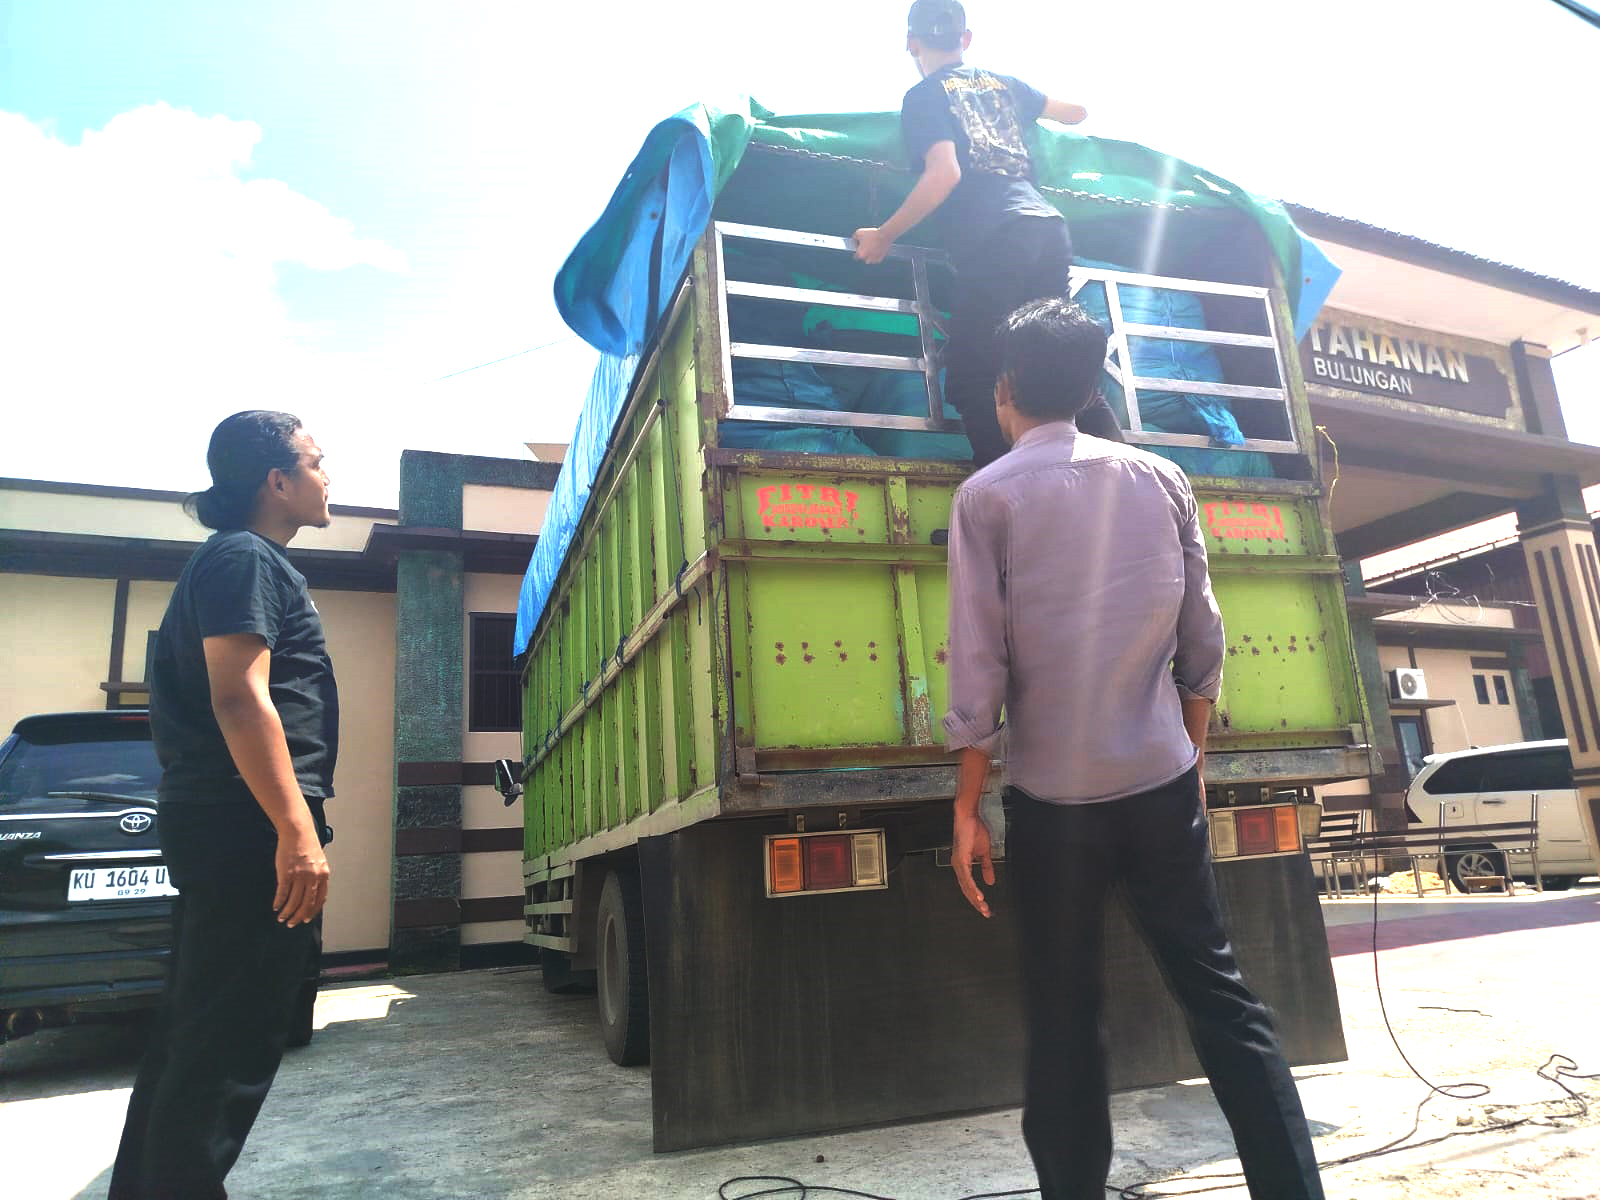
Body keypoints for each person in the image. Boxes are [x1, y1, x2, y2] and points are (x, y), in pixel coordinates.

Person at [941, 299, 1325, 1200]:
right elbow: (1203, 641)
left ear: (1003, 389)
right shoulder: (1162, 478)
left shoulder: (985, 497)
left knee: (1065, 1022)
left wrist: (966, 807)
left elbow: (978, 667)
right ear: (1092, 387)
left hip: (1053, 805)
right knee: (1222, 1000)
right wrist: (1192, 762)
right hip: (1160, 783)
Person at [110, 411, 338, 1200]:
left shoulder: (242, 560)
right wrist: (295, 830)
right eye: (316, 462)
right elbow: (240, 696)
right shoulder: (244, 557)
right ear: (277, 481)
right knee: (229, 1039)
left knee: (198, 1032)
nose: (327, 477)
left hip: (232, 820)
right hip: (246, 824)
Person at [853, 0, 1125, 467]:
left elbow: (945, 173)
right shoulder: (1005, 84)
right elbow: (1076, 112)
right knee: (1061, 365)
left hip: (996, 235)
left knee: (973, 374)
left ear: (911, 43)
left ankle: (1006, 481)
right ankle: (1126, 475)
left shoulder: (924, 96)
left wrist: (884, 234)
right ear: (966, 39)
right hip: (1046, 226)